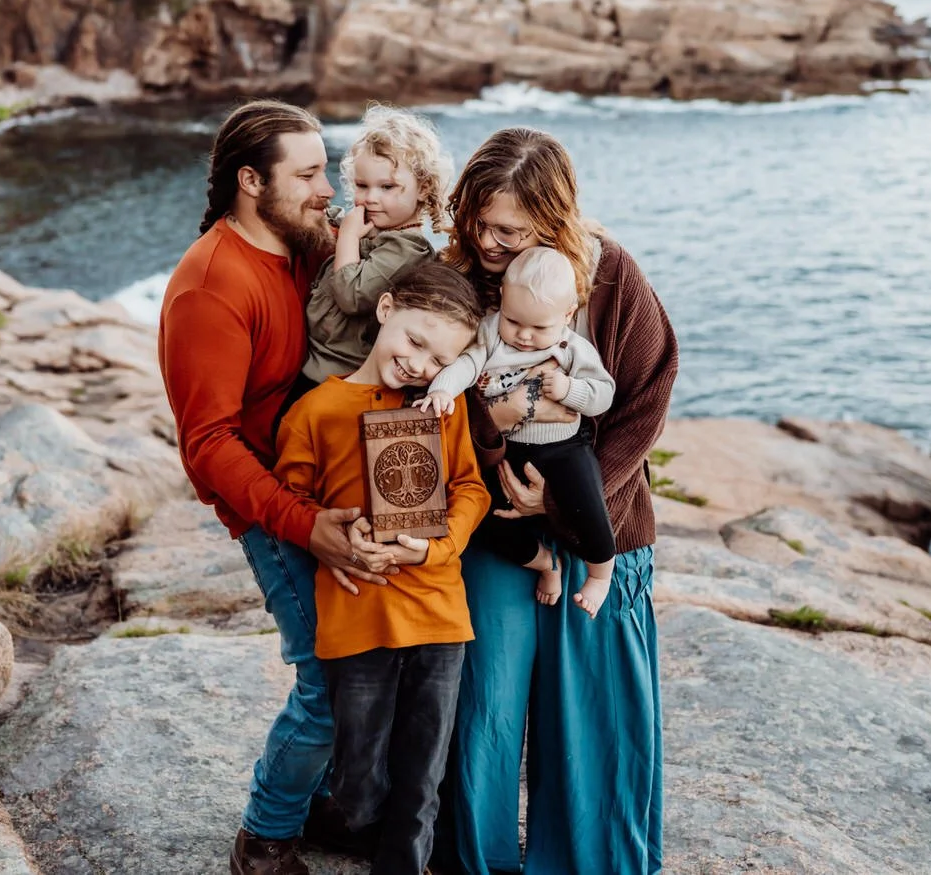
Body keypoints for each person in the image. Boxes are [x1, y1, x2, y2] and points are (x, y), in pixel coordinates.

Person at [159, 99, 401, 875]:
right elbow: (208, 445)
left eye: (326, 169)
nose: (329, 188)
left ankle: (332, 807)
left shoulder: (309, 245)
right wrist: (304, 522)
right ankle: (264, 838)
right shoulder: (210, 287)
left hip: (337, 490)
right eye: (307, 174)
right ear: (250, 181)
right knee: (327, 680)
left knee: (374, 664)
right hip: (277, 511)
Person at [437, 128, 679, 875]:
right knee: (486, 706)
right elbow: (431, 399)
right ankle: (475, 861)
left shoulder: (611, 277)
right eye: (478, 219)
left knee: (595, 718)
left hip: (595, 519)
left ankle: (593, 862)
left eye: (509, 229)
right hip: (493, 526)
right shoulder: (456, 279)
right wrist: (495, 439)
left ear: (553, 221)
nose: (488, 239)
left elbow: (647, 394)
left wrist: (572, 504)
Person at [276, 261, 492, 875]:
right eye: (416, 340)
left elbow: (471, 489)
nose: (421, 364)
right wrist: (331, 539)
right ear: (385, 308)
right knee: (359, 781)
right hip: (357, 617)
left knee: (423, 776)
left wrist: (434, 547)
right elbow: (293, 507)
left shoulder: (438, 409)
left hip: (437, 615)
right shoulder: (315, 411)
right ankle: (335, 820)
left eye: (438, 358)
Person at [417, 246, 617, 618]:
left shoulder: (573, 348)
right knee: (480, 519)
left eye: (539, 327)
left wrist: (570, 390)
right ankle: (543, 563)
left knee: (588, 502)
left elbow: (604, 394)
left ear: (567, 315)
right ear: (503, 300)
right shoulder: (491, 333)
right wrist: (442, 389)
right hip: (507, 451)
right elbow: (466, 364)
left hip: (563, 447)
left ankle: (601, 573)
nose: (524, 336)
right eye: (514, 321)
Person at [301, 105, 452, 388]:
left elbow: (351, 295)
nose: (370, 198)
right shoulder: (377, 226)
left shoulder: (407, 250)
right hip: (314, 359)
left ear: (423, 188)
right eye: (361, 185)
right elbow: (335, 220)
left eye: (387, 187)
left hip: (342, 373)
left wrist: (347, 237)